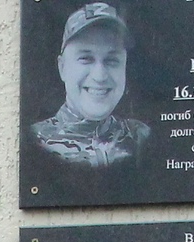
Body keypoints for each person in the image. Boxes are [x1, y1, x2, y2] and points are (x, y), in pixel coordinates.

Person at [30, 3, 150, 168]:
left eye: (112, 60)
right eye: (86, 58)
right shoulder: (34, 141)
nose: (99, 76)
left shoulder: (142, 137)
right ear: (62, 67)